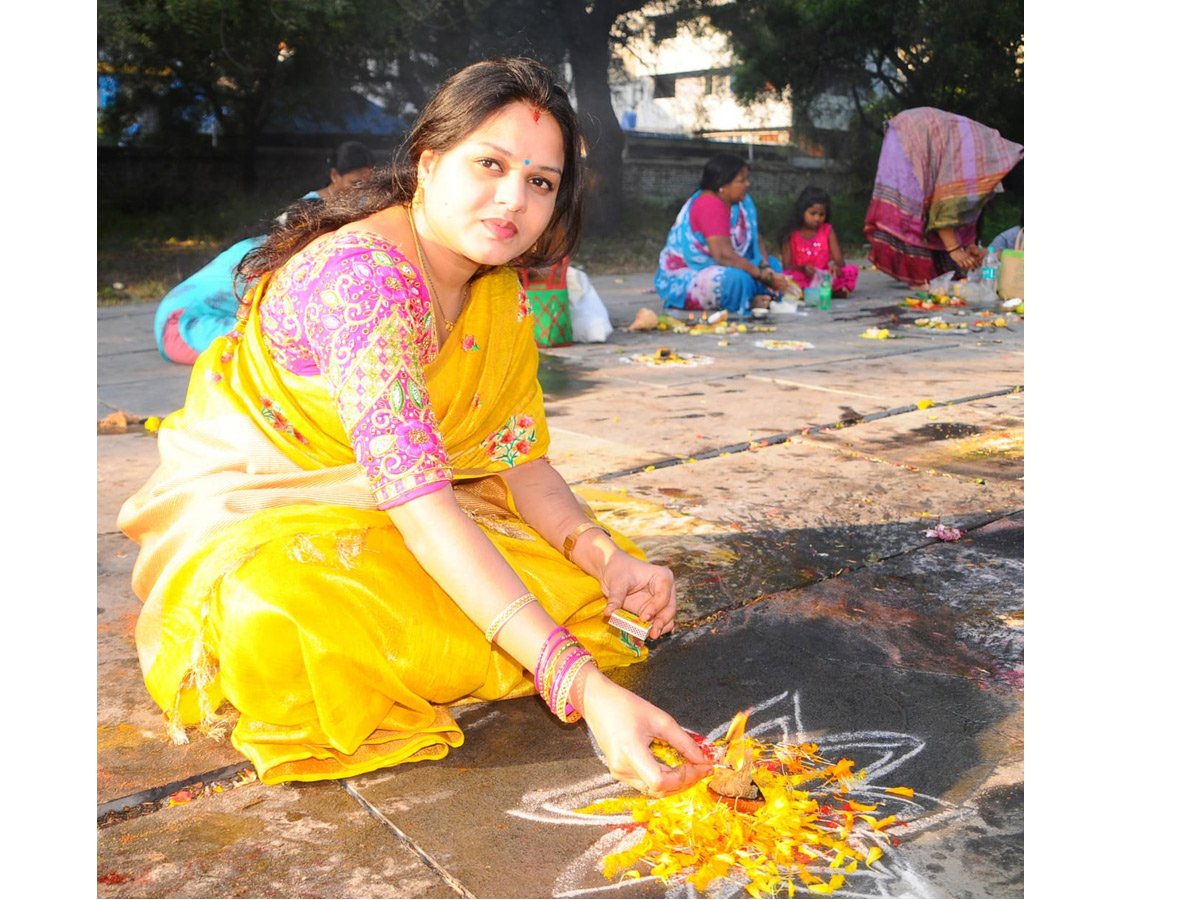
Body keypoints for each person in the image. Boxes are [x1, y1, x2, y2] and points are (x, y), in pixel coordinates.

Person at [119, 58, 713, 797]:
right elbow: (430, 516)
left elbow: (519, 463)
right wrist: (586, 692)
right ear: (429, 164)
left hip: (407, 501)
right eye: (489, 165)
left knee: (592, 590)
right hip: (264, 505)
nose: (512, 200)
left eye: (540, 182)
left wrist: (603, 559)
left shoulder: (494, 287)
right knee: (286, 618)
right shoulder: (365, 282)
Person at [154, 142, 377, 365]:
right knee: (284, 347)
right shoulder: (283, 254)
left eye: (367, 185)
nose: (360, 192)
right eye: (355, 183)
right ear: (334, 175)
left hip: (180, 320)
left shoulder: (278, 240)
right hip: (182, 327)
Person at [863, 107, 1023, 286]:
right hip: (914, 136)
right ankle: (919, 276)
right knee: (919, 207)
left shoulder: (998, 157)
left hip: (923, 132)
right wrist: (955, 249)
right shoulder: (989, 162)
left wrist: (969, 246)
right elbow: (945, 203)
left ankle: (931, 276)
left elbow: (968, 207)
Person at [654, 153, 789, 319]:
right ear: (722, 185)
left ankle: (753, 298)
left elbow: (755, 238)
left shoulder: (741, 204)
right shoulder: (709, 204)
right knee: (736, 281)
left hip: (730, 265)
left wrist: (766, 267)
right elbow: (723, 256)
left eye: (747, 179)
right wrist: (765, 277)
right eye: (741, 181)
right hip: (690, 275)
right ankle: (749, 299)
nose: (748, 184)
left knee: (774, 265)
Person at [779, 186, 858, 298]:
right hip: (801, 276)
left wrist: (836, 267)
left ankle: (818, 292)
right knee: (786, 276)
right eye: (813, 213)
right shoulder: (790, 233)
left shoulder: (827, 230)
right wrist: (803, 268)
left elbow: (840, 261)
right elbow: (786, 266)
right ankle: (829, 292)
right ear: (802, 211)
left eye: (821, 215)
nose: (817, 218)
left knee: (851, 270)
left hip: (823, 277)